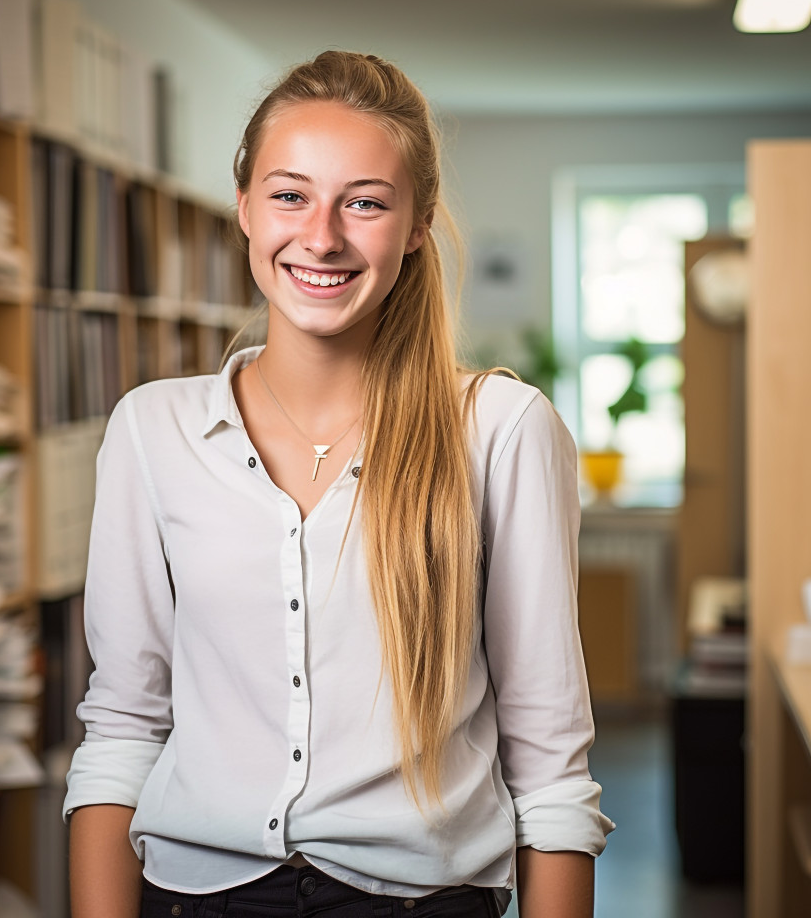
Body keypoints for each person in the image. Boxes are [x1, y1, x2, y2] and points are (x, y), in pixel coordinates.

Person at [65, 51, 614, 918]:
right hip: (196, 897)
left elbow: (550, 770)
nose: (321, 236)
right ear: (243, 206)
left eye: (364, 202)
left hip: (422, 902)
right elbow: (123, 726)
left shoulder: (500, 430)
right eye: (290, 194)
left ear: (416, 224)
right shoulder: (152, 430)